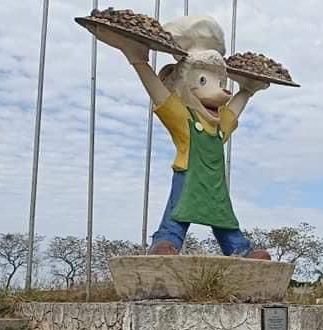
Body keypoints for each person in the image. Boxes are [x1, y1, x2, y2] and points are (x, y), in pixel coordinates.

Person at [94, 16, 270, 259]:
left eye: (221, 82)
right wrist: (138, 60)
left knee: (223, 215)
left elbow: (233, 109)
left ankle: (239, 248)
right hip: (189, 178)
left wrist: (248, 89)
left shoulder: (219, 127)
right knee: (178, 212)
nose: (221, 92)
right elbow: (161, 97)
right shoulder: (185, 121)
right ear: (183, 87)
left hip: (216, 186)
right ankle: (166, 242)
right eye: (203, 81)